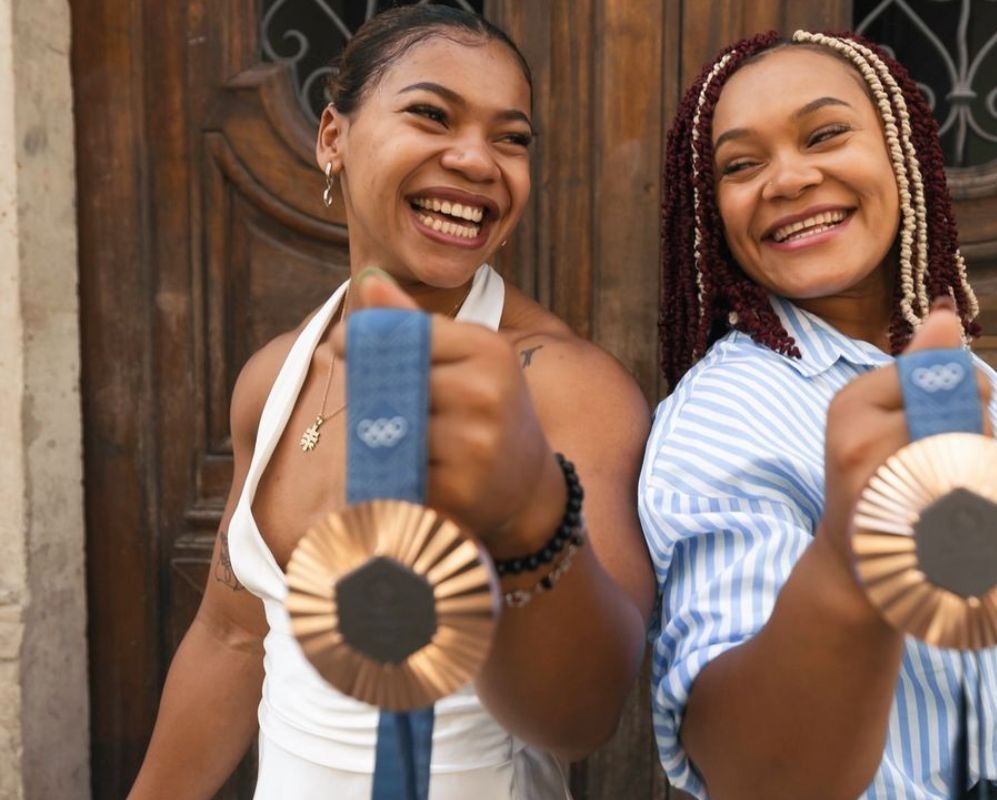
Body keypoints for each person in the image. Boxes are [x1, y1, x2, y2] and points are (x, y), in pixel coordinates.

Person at [129, 7, 654, 799]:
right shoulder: (274, 378)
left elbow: (582, 720)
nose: (478, 159)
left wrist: (527, 516)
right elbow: (233, 639)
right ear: (332, 136)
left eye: (511, 137)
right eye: (431, 114)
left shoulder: (559, 387)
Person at [640, 30, 997, 800]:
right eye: (742, 164)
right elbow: (746, 768)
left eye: (825, 134)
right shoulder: (724, 419)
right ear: (712, 213)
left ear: (901, 150)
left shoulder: (966, 377)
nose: (788, 178)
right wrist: (852, 557)